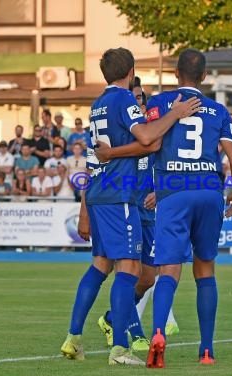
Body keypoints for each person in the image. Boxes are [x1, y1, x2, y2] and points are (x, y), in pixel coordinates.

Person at [59, 47, 200, 365]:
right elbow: (149, 136)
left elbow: (103, 156)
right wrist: (175, 115)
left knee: (102, 265)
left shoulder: (97, 105)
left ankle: (74, 338)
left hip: (102, 192)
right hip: (119, 195)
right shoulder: (123, 100)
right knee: (129, 269)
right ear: (131, 71)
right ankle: (119, 347)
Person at [142, 48, 232, 368]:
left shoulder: (159, 103)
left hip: (174, 193)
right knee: (205, 271)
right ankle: (207, 350)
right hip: (209, 192)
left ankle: (158, 335)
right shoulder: (218, 111)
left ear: (176, 74)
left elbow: (150, 142)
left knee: (168, 270)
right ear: (204, 76)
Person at [94, 77, 180, 351]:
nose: (138, 103)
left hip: (150, 211)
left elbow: (167, 162)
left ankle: (111, 318)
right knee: (125, 271)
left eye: (140, 98)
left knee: (147, 277)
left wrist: (162, 190)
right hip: (126, 207)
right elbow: (94, 165)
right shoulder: (126, 132)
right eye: (134, 99)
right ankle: (132, 333)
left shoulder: (153, 129)